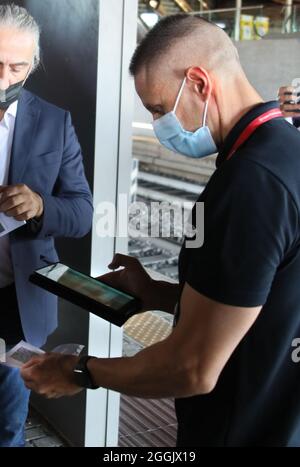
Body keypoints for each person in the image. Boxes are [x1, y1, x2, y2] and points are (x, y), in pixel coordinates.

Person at [21, 15, 300, 447]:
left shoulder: (252, 183)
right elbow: (258, 302)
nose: (158, 125)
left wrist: (80, 371)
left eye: (157, 109)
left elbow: (192, 368)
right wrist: (156, 293)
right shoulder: (284, 152)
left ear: (200, 83)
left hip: (241, 427)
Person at [0, 4, 93, 447]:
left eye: (17, 66)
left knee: (7, 422)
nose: (3, 78)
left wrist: (40, 205)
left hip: (16, 303)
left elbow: (81, 213)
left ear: (33, 65)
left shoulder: (55, 123)